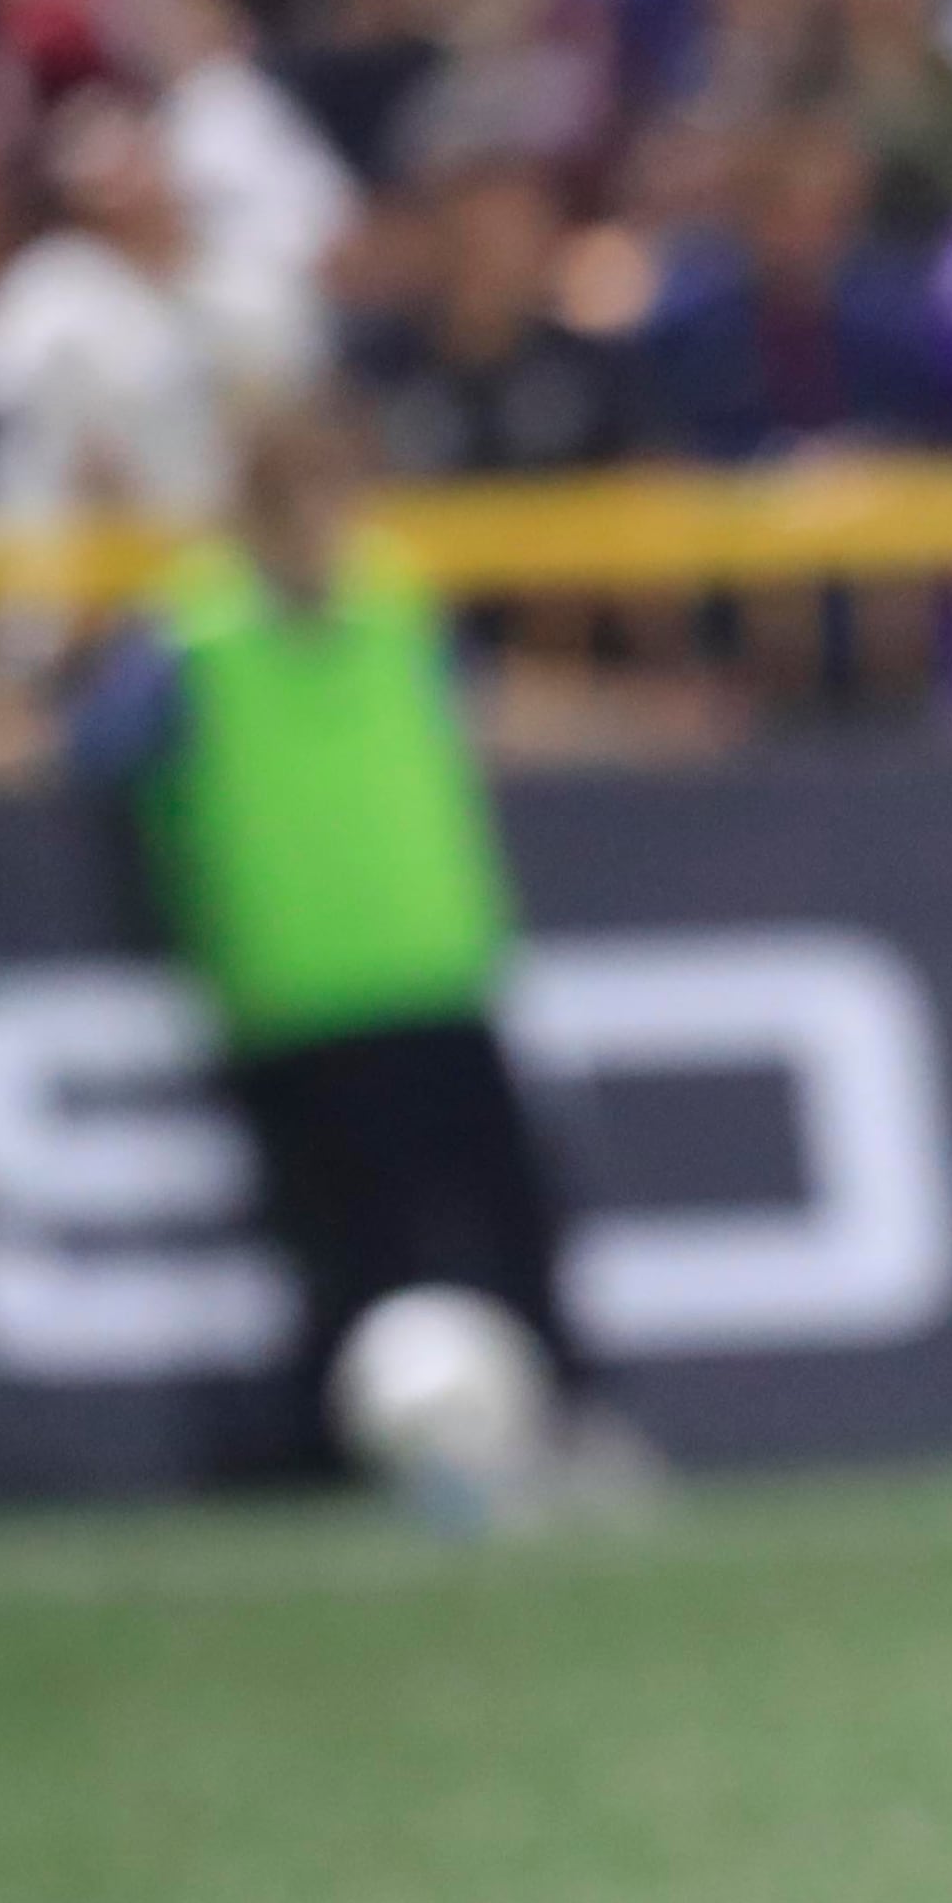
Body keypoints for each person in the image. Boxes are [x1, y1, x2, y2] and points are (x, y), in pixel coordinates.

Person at [66, 392, 597, 1477]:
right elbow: (84, 754)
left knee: (521, 1222)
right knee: (347, 1257)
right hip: (293, 999)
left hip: (437, 973)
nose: (326, 522)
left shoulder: (398, 607)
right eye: (300, 497)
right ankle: (347, 1462)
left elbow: (492, 711)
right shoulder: (187, 642)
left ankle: (571, 1427)